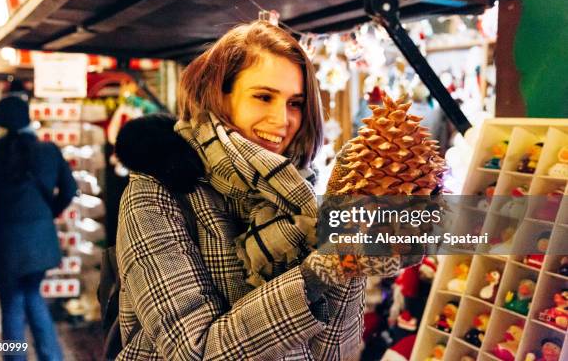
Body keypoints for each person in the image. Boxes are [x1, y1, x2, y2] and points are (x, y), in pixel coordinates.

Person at [114, 21, 408, 360]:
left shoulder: (299, 197)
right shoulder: (156, 195)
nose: (282, 119)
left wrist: (348, 252)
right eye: (263, 97)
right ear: (218, 95)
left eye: (295, 103)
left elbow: (333, 354)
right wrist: (316, 273)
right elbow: (192, 353)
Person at [0, 95, 77, 361]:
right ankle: (52, 357)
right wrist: (49, 213)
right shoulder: (49, 152)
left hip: (5, 249)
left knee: (12, 305)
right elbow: (70, 189)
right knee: (32, 295)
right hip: (41, 246)